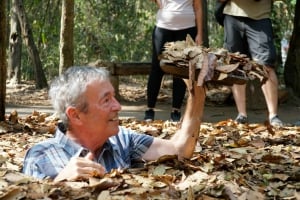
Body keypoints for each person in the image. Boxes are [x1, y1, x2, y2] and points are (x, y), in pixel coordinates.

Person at [22, 66, 206, 182]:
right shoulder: (40, 158)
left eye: (114, 97)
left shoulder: (123, 140)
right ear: (76, 115)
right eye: (106, 100)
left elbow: (180, 150)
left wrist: (196, 91)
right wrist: (60, 184)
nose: (118, 106)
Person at [222, 0, 283, 126]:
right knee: (236, 65)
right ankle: (241, 115)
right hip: (231, 16)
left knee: (266, 65)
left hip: (259, 17)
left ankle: (273, 115)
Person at [144, 0, 203, 122]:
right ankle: (150, 109)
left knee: (180, 70)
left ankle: (175, 110)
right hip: (163, 28)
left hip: (187, 29)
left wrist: (199, 34)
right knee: (157, 68)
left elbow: (198, 8)